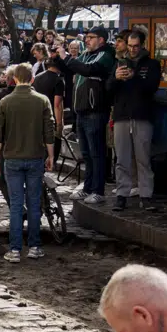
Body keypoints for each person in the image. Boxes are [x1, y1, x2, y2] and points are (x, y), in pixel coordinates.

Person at [0, 63, 56, 263]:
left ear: (14, 79)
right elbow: (49, 132)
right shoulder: (42, 100)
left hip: (12, 159)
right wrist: (50, 156)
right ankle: (35, 246)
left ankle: (15, 249)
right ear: (32, 79)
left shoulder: (5, 101)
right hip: (35, 157)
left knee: (16, 205)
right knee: (34, 203)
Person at [54, 26, 116, 204]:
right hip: (81, 111)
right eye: (86, 37)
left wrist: (67, 57)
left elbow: (88, 70)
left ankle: (98, 190)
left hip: (95, 110)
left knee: (97, 153)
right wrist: (58, 57)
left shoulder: (105, 55)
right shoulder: (87, 54)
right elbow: (72, 67)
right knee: (86, 154)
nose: (86, 40)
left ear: (101, 40)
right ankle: (87, 187)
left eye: (91, 37)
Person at [108, 27, 163, 211]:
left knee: (143, 158)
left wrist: (134, 78)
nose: (132, 49)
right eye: (130, 46)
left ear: (142, 45)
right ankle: (122, 194)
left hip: (142, 115)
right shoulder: (118, 63)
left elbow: (151, 87)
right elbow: (108, 89)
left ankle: (146, 195)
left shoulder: (152, 64)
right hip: (122, 116)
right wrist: (116, 78)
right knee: (121, 158)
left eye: (136, 46)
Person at [31, 54, 65, 166]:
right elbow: (57, 104)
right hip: (50, 116)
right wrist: (59, 124)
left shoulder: (37, 77)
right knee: (51, 146)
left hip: (36, 114)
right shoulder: (58, 80)